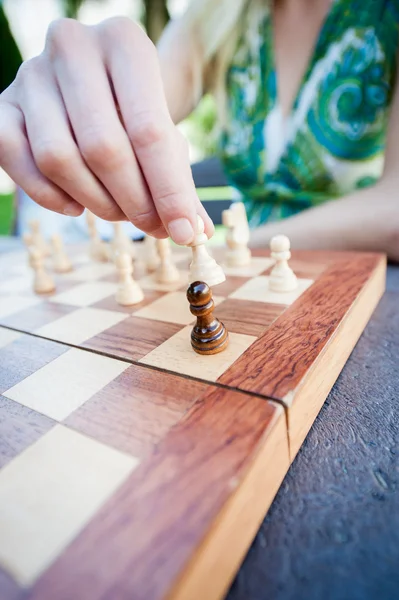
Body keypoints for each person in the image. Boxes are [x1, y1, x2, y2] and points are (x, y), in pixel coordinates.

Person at [0, 0, 398, 260]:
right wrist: (78, 95)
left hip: (360, 288)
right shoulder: (218, 13)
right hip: (242, 273)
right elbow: (138, 105)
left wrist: (232, 246)